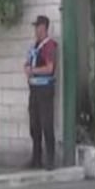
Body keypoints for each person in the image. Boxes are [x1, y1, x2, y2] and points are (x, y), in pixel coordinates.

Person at [25, 15, 58, 170]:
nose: (35, 30)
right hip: (34, 89)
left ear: (44, 27)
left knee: (46, 124)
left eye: (38, 26)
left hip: (45, 89)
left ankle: (50, 159)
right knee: (34, 125)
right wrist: (27, 69)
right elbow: (28, 63)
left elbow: (50, 68)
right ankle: (36, 159)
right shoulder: (35, 46)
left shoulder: (49, 46)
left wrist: (33, 70)